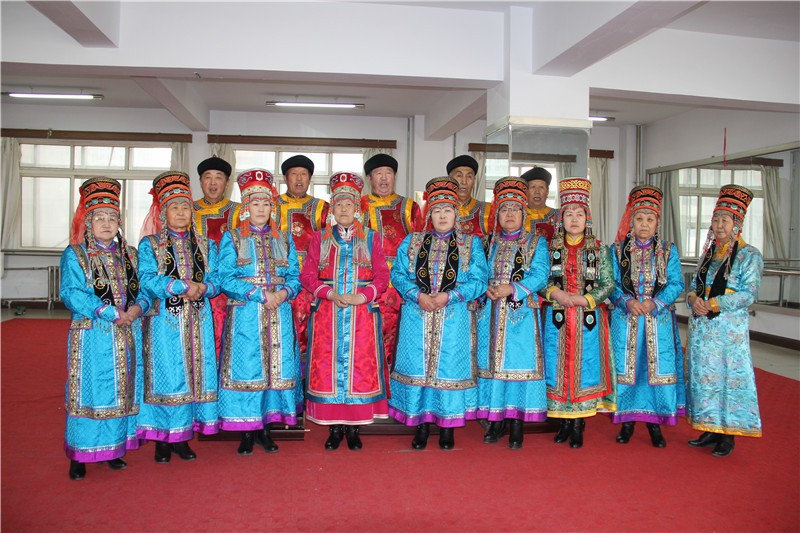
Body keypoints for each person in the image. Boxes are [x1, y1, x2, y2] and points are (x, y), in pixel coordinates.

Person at [389, 177, 489, 450]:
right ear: (429, 214)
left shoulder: (471, 244)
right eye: (436, 210)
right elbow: (397, 274)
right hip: (417, 314)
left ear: (456, 213)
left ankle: (448, 426)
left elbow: (480, 280)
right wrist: (417, 295)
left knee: (449, 368)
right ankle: (420, 424)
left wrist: (449, 296)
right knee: (418, 367)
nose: (442, 216)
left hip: (454, 317)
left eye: (447, 210)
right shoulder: (412, 241)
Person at [61, 178, 151, 480]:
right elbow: (71, 293)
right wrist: (110, 313)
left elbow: (144, 291)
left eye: (112, 217)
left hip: (128, 332)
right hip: (93, 334)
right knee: (90, 390)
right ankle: (80, 453)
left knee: (121, 390)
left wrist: (137, 309)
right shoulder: (75, 254)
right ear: (88, 222)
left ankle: (113, 448)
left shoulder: (131, 254)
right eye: (99, 217)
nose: (106, 223)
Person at [300, 172, 390, 450]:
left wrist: (361, 296)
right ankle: (334, 428)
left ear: (357, 209)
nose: (343, 209)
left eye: (349, 204)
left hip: (362, 315)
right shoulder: (320, 238)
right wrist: (331, 294)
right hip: (327, 313)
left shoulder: (371, 238)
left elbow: (382, 276)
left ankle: (354, 428)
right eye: (338, 204)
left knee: (358, 370)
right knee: (328, 368)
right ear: (332, 209)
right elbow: (307, 275)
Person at [216, 168, 303, 455]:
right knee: (248, 367)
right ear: (246, 207)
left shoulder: (284, 239)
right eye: (255, 203)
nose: (261, 209)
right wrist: (259, 294)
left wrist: (282, 293)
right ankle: (246, 429)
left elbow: (295, 277)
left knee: (274, 368)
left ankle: (266, 428)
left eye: (266, 204)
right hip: (246, 314)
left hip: (279, 312)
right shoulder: (232, 238)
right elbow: (225, 278)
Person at [137, 171, 220, 462]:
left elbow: (217, 279)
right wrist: (182, 286)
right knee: (168, 375)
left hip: (199, 320)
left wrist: (204, 288)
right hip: (165, 323)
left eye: (186, 206)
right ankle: (162, 438)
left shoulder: (206, 245)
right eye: (175, 207)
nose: (182, 212)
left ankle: (183, 436)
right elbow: (147, 279)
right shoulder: (150, 245)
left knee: (194, 375)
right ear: (164, 213)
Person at [685, 184, 763, 457]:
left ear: (737, 224)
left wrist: (714, 303)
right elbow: (694, 286)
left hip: (728, 331)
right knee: (705, 379)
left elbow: (749, 294)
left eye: (725, 220)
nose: (719, 225)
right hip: (702, 330)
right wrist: (693, 299)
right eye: (716, 219)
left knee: (727, 379)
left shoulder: (749, 255)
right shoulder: (709, 253)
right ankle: (709, 427)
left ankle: (728, 434)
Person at [540, 178, 616, 448]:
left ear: (587, 218)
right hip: (556, 320)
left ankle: (579, 422)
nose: (574, 219)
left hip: (588, 320)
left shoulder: (600, 249)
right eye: (569, 214)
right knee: (556, 368)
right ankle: (563, 421)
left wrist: (586, 298)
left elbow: (608, 283)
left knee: (585, 368)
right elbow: (541, 281)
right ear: (561, 219)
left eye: (579, 214)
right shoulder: (549, 249)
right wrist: (556, 293)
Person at [476, 177, 550, 449]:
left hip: (521, 315)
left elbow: (541, 274)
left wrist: (512, 288)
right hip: (489, 312)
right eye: (504, 209)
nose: (509, 214)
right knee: (492, 367)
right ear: (497, 213)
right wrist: (485, 288)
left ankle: (517, 422)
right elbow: (476, 273)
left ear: (524, 213)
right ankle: (495, 420)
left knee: (517, 366)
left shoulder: (536, 242)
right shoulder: (486, 242)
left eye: (515, 209)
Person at [609, 185, 685, 448]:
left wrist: (656, 303)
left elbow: (676, 283)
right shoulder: (616, 250)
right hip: (626, 320)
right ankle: (627, 422)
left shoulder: (668, 250)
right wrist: (626, 301)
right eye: (639, 218)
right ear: (631, 221)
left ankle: (655, 424)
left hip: (658, 321)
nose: (644, 224)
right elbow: (611, 283)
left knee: (655, 372)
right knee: (627, 371)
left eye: (650, 219)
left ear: (657, 223)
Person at [361, 154, 422, 392]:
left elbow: (420, 245)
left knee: (401, 340)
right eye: (378, 173)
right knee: (366, 340)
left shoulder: (409, 207)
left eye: (388, 173)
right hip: (367, 287)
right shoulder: (358, 205)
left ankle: (397, 391)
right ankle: (369, 390)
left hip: (400, 289)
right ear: (369, 178)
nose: (384, 178)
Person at [275, 155, 330, 366]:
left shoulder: (323, 208)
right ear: (285, 178)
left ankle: (310, 378)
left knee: (313, 332)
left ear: (310, 178)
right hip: (280, 283)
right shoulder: (270, 206)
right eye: (294, 174)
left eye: (303, 174)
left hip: (313, 283)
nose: (299, 179)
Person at [192, 156, 240, 357]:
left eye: (218, 177)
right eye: (207, 177)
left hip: (231, 287)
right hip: (197, 287)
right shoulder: (187, 210)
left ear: (227, 183)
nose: (213, 183)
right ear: (200, 181)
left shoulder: (240, 212)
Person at [447, 155, 492, 241]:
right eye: (459, 176)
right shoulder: (438, 211)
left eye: (469, 177)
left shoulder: (487, 210)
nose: (464, 182)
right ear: (449, 179)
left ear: (474, 181)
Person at [521, 167, 557, 242]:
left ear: (547, 192)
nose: (537, 192)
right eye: (533, 187)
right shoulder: (518, 215)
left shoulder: (558, 216)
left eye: (541, 187)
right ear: (526, 192)